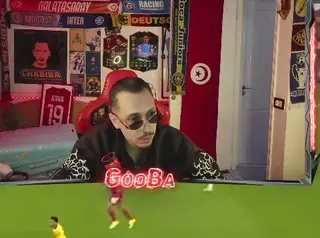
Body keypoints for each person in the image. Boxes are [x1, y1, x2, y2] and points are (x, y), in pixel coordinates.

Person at [51, 76, 222, 183]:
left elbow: (218, 184)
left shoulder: (176, 142)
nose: (147, 128)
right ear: (115, 120)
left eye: (152, 116)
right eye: (135, 121)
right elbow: (62, 191)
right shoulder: (92, 144)